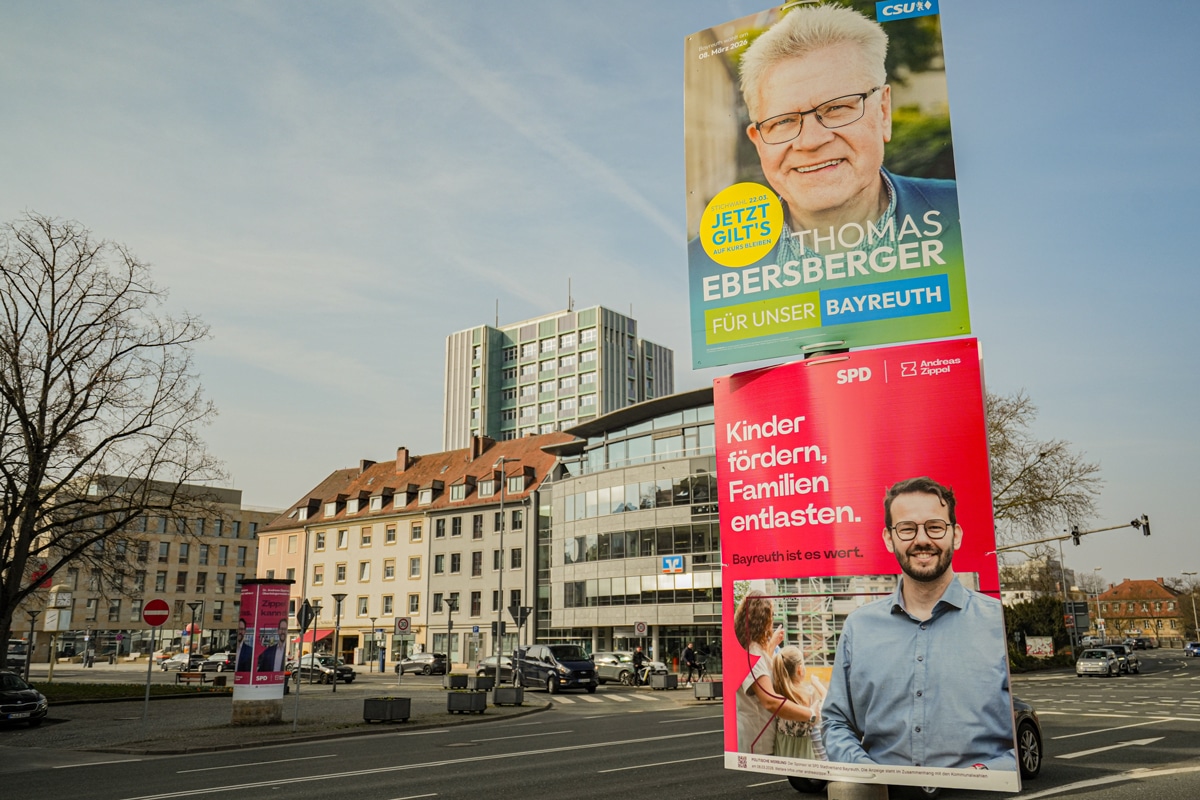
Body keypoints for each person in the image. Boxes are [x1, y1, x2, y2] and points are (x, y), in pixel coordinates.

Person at [821, 477, 1016, 770]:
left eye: (935, 527)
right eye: (907, 528)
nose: (922, 539)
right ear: (889, 538)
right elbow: (836, 724)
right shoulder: (858, 627)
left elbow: (1028, 735)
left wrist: (990, 773)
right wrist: (870, 773)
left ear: (956, 535)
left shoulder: (997, 621)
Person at [738, 4, 957, 259]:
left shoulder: (966, 211)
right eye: (783, 121)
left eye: (836, 107)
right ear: (758, 142)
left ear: (883, 111)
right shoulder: (702, 265)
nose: (810, 141)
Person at [734, 590, 814, 755]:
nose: (772, 620)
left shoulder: (751, 648)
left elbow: (761, 669)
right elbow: (770, 701)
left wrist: (771, 644)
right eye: (771, 615)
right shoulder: (753, 652)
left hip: (757, 733)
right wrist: (811, 714)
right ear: (762, 619)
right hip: (758, 740)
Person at [770, 645, 828, 760]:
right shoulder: (807, 695)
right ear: (800, 669)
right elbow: (826, 701)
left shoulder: (776, 692)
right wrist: (816, 683)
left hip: (785, 751)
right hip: (804, 755)